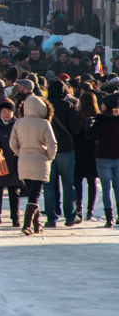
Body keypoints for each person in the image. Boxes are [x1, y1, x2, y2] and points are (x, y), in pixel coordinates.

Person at [10, 94, 57, 235]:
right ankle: (27, 225)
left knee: (31, 191)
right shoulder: (44, 123)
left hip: (23, 160)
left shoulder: (18, 122)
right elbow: (52, 144)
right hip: (39, 160)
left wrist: (22, 153)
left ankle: (37, 225)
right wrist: (49, 157)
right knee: (35, 195)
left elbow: (12, 143)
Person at [45, 80, 82, 227]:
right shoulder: (67, 106)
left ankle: (51, 218)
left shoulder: (43, 105)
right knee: (68, 184)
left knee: (48, 186)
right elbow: (76, 128)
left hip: (46, 149)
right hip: (65, 148)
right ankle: (70, 216)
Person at [85, 92, 119, 228]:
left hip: (103, 155)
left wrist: (89, 124)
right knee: (117, 187)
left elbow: (89, 135)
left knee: (106, 188)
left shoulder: (100, 120)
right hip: (117, 155)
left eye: (103, 103)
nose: (101, 105)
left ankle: (109, 218)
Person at [75, 91, 99, 221]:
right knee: (92, 181)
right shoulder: (97, 116)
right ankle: (90, 209)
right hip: (93, 151)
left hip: (78, 150)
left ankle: (79, 207)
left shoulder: (77, 115)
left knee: (77, 180)